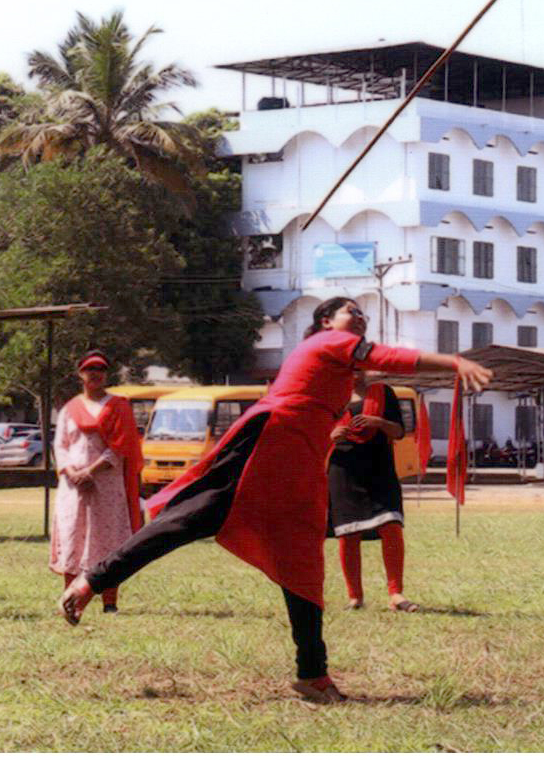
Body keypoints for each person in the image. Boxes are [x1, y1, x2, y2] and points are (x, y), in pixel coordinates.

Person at [58, 297, 492, 703]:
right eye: (350, 311)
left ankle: (312, 673)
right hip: (269, 441)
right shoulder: (328, 341)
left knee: (300, 556)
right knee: (191, 518)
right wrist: (453, 361)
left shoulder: (340, 365)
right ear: (326, 321)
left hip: (297, 457)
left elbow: (367, 375)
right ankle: (93, 580)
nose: (359, 317)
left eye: (362, 313)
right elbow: (386, 357)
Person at [50, 352, 142, 614]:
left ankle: (109, 602)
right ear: (80, 374)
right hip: (73, 487)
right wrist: (72, 472)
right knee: (73, 538)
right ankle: (70, 599)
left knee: (108, 541)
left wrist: (90, 471)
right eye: (89, 369)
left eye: (100, 369)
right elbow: (61, 445)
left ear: (106, 374)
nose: (95, 374)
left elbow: (121, 447)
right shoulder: (70, 409)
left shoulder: (119, 407)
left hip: (107, 485)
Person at [328, 372, 414, 613]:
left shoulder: (383, 392)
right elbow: (313, 432)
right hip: (343, 469)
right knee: (348, 534)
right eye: (350, 367)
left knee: (392, 526)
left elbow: (399, 432)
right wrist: (331, 435)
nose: (355, 372)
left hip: (379, 468)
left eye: (360, 366)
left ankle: (396, 594)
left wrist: (378, 422)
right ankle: (355, 597)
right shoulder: (330, 396)